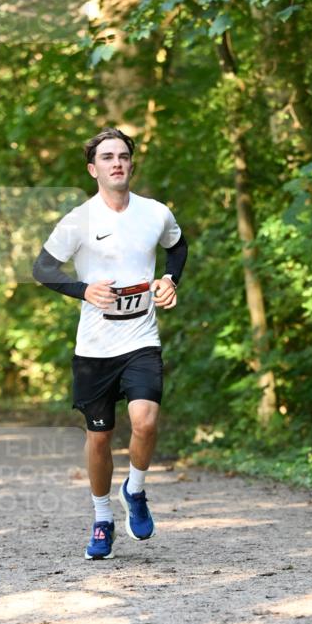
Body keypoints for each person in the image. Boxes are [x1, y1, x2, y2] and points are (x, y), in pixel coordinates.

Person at [32, 127, 188, 559]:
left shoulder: (155, 212)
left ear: (131, 164)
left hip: (142, 339)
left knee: (146, 423)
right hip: (95, 349)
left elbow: (177, 247)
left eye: (123, 156)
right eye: (107, 157)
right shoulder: (78, 220)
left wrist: (169, 279)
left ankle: (134, 491)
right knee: (99, 439)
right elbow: (42, 269)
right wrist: (83, 290)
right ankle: (102, 519)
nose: (116, 163)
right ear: (93, 169)